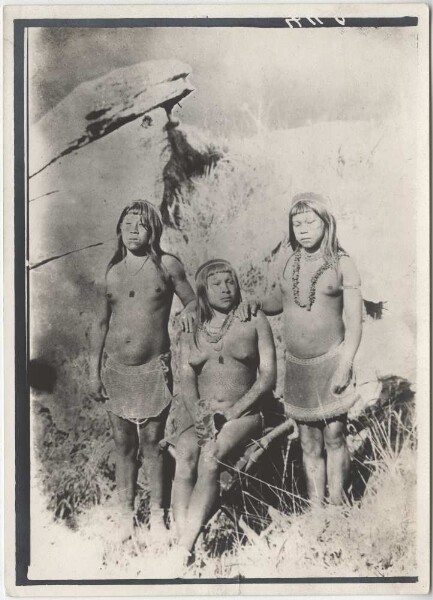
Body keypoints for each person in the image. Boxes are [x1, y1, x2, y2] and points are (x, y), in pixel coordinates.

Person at [241, 193, 362, 506]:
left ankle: (336, 506)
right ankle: (316, 508)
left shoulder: (342, 263)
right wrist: (255, 303)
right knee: (308, 441)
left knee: (334, 436)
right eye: (297, 223)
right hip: (298, 367)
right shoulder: (289, 262)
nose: (304, 229)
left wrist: (345, 365)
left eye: (311, 221)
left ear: (327, 223)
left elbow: (355, 324)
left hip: (332, 362)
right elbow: (276, 302)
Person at [89, 200, 195, 539]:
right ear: (119, 229)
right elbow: (100, 324)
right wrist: (94, 372)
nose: (134, 229)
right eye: (128, 222)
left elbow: (193, 301)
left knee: (153, 444)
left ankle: (157, 519)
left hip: (154, 368)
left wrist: (190, 312)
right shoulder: (110, 271)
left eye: (142, 224)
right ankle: (125, 520)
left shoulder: (167, 265)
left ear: (154, 231)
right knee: (123, 446)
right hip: (116, 370)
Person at [165, 259, 276, 561]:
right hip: (202, 414)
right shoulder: (192, 328)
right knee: (185, 454)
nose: (226, 289)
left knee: (211, 457)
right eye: (217, 284)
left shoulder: (254, 320)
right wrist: (201, 421)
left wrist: (232, 413)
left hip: (244, 415)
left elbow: (267, 378)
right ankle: (183, 537)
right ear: (203, 290)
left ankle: (183, 550)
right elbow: (186, 380)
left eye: (231, 282)